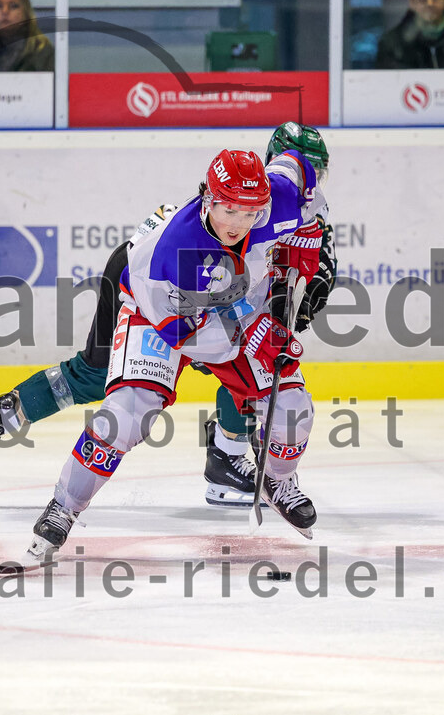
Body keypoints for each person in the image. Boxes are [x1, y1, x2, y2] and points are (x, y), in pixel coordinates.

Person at [0, 124, 333, 513]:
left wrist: (299, 286)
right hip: (152, 280)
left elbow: (307, 223)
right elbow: (186, 314)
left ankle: (225, 458)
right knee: (98, 376)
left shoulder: (291, 200)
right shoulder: (237, 207)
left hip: (203, 286)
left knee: (247, 364)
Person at [23, 147, 325, 558]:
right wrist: (258, 336)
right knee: (125, 416)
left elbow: (301, 176)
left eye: (251, 212)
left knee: (294, 411)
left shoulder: (280, 198)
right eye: (228, 209)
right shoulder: (168, 256)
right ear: (207, 197)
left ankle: (278, 480)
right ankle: (64, 506)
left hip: (239, 307)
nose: (238, 223)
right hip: (159, 316)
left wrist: (304, 258)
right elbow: (188, 338)